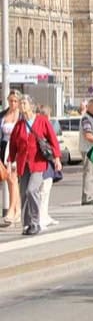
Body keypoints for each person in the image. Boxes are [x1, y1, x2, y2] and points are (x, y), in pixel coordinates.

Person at [8, 95, 62, 235]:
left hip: (38, 162)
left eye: (24, 103)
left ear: (31, 105)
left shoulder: (41, 121)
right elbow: (13, 144)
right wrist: (10, 160)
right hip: (23, 164)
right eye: (20, 104)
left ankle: (36, 222)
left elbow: (53, 139)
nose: (21, 106)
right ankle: (26, 224)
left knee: (32, 190)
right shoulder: (19, 125)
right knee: (23, 193)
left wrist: (57, 158)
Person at [1, 91, 23, 227]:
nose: (13, 103)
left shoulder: (21, 116)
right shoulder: (3, 115)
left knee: (12, 179)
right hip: (4, 148)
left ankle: (11, 210)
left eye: (15, 101)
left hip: (16, 149)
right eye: (11, 100)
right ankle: (17, 210)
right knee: (9, 181)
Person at [36, 105, 60, 229]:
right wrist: (57, 158)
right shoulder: (44, 124)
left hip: (43, 161)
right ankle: (41, 217)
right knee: (44, 190)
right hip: (45, 161)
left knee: (44, 190)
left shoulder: (37, 123)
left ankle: (44, 215)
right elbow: (54, 141)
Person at [79, 98, 93, 205]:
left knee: (92, 173)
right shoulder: (86, 119)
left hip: (92, 149)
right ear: (89, 107)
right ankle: (87, 197)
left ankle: (89, 196)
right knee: (90, 173)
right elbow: (88, 135)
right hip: (89, 149)